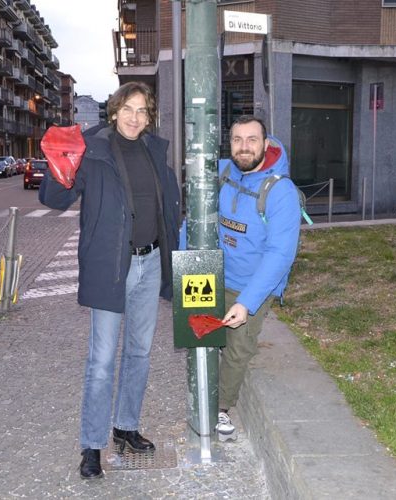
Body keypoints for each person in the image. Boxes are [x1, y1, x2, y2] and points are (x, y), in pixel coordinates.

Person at [39, 81, 181, 480]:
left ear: (148, 117)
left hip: (150, 262)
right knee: (101, 362)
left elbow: (169, 211)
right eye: (129, 109)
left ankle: (126, 426)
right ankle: (92, 444)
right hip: (111, 267)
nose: (135, 118)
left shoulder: (156, 153)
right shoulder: (93, 150)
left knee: (139, 353)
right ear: (114, 111)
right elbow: (55, 199)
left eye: (143, 111)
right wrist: (59, 162)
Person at [216, 115, 301, 441]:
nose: (244, 147)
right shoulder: (224, 171)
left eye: (252, 140)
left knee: (238, 347)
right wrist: (185, 266)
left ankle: (220, 408)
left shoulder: (280, 191)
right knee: (200, 334)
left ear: (265, 144)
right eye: (237, 139)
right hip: (214, 272)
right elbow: (197, 216)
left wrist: (247, 302)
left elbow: (280, 254)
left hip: (252, 283)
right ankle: (205, 391)